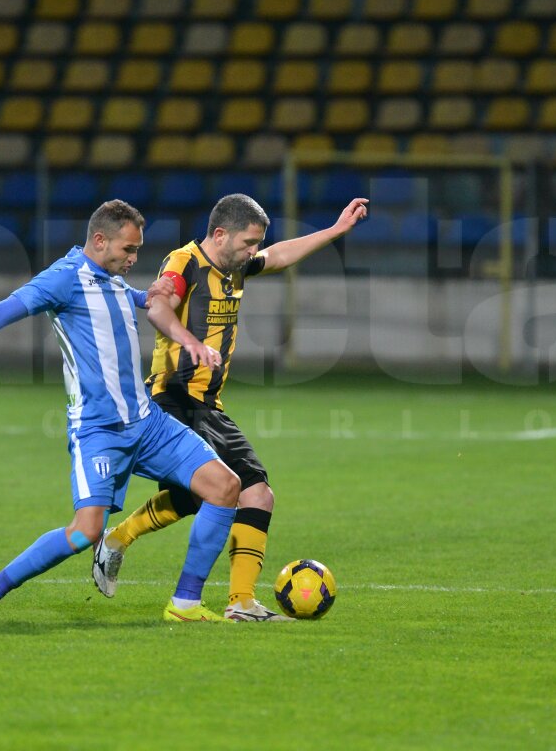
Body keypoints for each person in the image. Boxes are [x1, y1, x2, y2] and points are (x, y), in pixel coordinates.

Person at [0, 200, 242, 623]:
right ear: (99, 239)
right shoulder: (62, 279)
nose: (133, 258)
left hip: (147, 423)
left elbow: (132, 301)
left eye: (137, 251)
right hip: (99, 431)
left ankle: (185, 604)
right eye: (128, 250)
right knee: (84, 532)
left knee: (224, 486)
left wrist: (153, 295)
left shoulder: (111, 279)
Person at [92, 193, 368, 621]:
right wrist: (189, 341)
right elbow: (159, 305)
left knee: (211, 494)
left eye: (256, 243)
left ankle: (122, 543)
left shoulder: (235, 265)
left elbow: (277, 257)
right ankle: (223, 600)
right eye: (248, 242)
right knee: (245, 490)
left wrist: (334, 230)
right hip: (174, 396)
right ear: (220, 234)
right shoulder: (184, 262)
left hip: (208, 404)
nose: (253, 251)